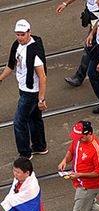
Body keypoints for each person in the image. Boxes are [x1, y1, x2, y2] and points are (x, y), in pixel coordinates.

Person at [0, 19, 48, 160]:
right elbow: (11, 65)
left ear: (29, 32)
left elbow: (42, 77)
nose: (20, 38)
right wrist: (1, 77)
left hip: (31, 92)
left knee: (19, 121)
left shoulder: (34, 52)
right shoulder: (17, 45)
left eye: (22, 34)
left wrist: (41, 99)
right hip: (23, 88)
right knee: (34, 118)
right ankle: (40, 146)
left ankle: (25, 153)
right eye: (18, 34)